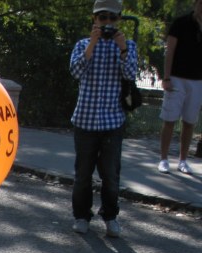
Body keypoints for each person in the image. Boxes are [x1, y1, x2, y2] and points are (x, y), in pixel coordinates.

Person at [69, 0, 137, 238]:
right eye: (102, 17)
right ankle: (81, 216)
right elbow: (75, 72)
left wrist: (123, 49)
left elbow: (130, 74)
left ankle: (110, 216)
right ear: (94, 20)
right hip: (85, 120)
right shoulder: (83, 44)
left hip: (112, 121)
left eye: (112, 18)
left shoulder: (127, 45)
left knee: (110, 175)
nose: (107, 22)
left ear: (118, 20)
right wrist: (92, 44)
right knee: (83, 174)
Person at [157, 0, 202, 176]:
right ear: (195, 4)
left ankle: (183, 160)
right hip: (176, 78)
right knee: (169, 119)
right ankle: (163, 159)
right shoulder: (180, 23)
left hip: (197, 81)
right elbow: (170, 51)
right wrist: (166, 77)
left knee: (190, 122)